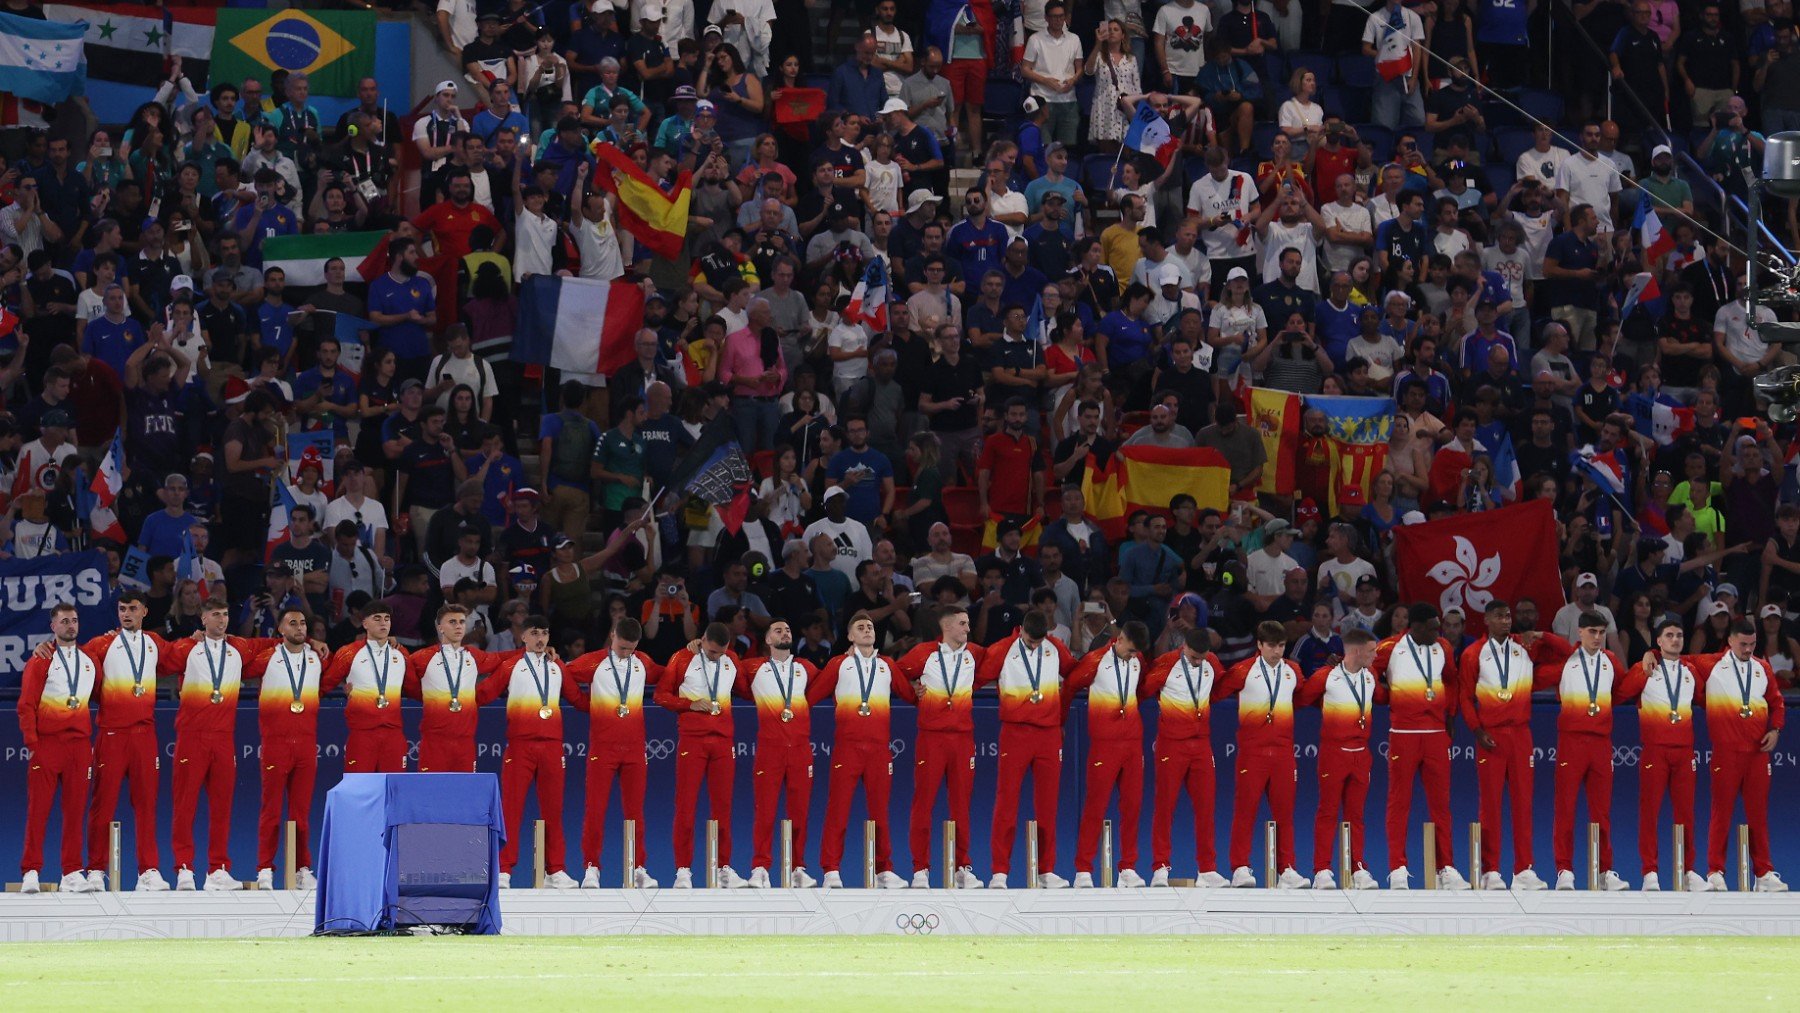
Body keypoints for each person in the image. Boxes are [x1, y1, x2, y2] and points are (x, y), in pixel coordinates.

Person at [159, 600, 278, 890]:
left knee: (222, 806)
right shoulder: (188, 648)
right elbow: (160, 660)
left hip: (224, 737)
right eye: (215, 615)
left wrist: (312, 641)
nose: (221, 620)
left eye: (225, 614)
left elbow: (277, 642)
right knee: (185, 805)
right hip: (192, 736)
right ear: (203, 618)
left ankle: (218, 870)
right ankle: (183, 868)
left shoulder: (238, 646)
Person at [70, 592, 178, 892]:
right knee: (102, 805)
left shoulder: (155, 643)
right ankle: (94, 869)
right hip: (112, 734)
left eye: (132, 608)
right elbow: (73, 663)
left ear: (144, 610)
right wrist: (45, 647)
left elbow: (179, 658)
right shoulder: (102, 644)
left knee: (146, 806)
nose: (126, 614)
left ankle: (149, 870)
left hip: (144, 735)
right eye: (121, 609)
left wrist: (198, 637)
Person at [1457, 602, 1559, 890]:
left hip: (1520, 735)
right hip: (1490, 735)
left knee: (1523, 803)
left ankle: (1524, 869)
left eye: (1508, 616)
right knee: (1490, 805)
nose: (1505, 620)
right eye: (1499, 616)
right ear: (1487, 620)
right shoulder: (1473, 653)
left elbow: (1567, 654)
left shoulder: (1523, 646)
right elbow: (1465, 697)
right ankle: (1491, 870)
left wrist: (1542, 635)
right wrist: (1476, 730)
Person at [809, 612, 914, 887]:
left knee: (880, 812)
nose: (867, 629)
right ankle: (831, 869)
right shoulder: (838, 664)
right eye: (860, 627)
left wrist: (927, 687)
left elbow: (912, 695)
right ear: (850, 636)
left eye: (870, 626)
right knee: (838, 810)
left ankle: (884, 870)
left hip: (880, 749)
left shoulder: (887, 665)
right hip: (848, 748)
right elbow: (810, 695)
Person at [474, 615, 578, 889]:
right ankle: (504, 869)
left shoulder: (558, 666)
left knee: (553, 810)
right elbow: (483, 694)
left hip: (553, 746)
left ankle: (555, 869)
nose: (541, 638)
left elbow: (578, 698)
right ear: (523, 637)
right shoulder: (511, 665)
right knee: (511, 809)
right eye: (535, 633)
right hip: (520, 747)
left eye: (544, 633)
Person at [1371, 603, 1468, 889]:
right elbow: (1367, 674)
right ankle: (1397, 867)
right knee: (1399, 802)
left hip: (1436, 733)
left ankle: (1445, 868)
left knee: (1441, 805)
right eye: (1433, 628)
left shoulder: (1443, 649)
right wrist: (1384, 696)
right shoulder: (1389, 647)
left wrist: (1450, 713)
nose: (1439, 633)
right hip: (1403, 732)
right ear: (1415, 627)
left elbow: (1452, 680)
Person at [977, 610, 1075, 888]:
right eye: (1030, 642)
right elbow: (975, 679)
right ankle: (999, 871)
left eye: (1038, 642)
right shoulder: (1002, 650)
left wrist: (1061, 716)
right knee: (1006, 802)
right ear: (1020, 631)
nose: (1034, 646)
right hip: (1015, 733)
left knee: (1048, 804)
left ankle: (1046, 871)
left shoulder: (1054, 646)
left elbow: (1074, 672)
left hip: (1048, 734)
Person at [1689, 619, 1788, 891]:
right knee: (1721, 812)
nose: (1748, 649)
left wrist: (1776, 730)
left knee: (1758, 814)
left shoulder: (1762, 668)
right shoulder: (1711, 664)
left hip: (1757, 753)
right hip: (1727, 753)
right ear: (1730, 641)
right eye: (1743, 644)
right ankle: (1715, 871)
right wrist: (1653, 654)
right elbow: (1677, 658)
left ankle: (1764, 873)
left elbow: (1777, 703)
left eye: (1752, 644)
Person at [1535, 610, 1629, 891]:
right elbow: (1535, 678)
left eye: (1601, 632)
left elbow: (1623, 690)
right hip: (1571, 742)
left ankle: (1605, 871)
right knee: (1565, 808)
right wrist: (1544, 640)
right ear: (1580, 632)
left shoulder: (1611, 661)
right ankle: (1564, 869)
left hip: (1601, 743)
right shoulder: (1566, 662)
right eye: (1592, 632)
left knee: (1601, 811)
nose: (1598, 638)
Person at [562, 618, 659, 889]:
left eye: (631, 648)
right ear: (612, 635)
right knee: (595, 810)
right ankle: (591, 868)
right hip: (602, 750)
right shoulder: (593, 662)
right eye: (621, 646)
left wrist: (688, 653)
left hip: (635, 749)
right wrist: (585, 704)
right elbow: (562, 673)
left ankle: (638, 867)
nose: (626, 652)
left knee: (635, 812)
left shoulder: (643, 662)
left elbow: (667, 674)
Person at [895, 606, 987, 888]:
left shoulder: (975, 654)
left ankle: (962, 867)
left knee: (961, 805)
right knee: (924, 803)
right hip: (932, 738)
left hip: (962, 739)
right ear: (947, 627)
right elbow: (894, 672)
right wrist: (913, 693)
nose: (968, 629)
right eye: (963, 623)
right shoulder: (924, 653)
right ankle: (920, 869)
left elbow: (1000, 659)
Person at [1617, 618, 1709, 892]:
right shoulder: (1645, 667)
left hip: (1684, 752)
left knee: (1686, 814)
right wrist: (1645, 665)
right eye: (1669, 635)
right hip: (1655, 750)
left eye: (1679, 635)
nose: (1675, 639)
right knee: (1650, 813)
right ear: (1658, 641)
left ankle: (1689, 870)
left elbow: (1705, 699)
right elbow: (1621, 693)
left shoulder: (1691, 670)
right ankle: (1650, 872)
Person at [16, 603, 100, 893]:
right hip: (48, 744)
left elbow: (102, 693)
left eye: (74, 620)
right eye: (64, 621)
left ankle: (72, 871)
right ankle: (31, 870)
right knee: (38, 810)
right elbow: (26, 705)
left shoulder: (90, 660)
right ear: (53, 626)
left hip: (78, 745)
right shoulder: (41, 660)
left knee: (76, 811)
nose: (71, 626)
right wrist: (33, 744)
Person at [244, 607, 328, 890]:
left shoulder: (316, 658)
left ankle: (302, 868)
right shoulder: (268, 657)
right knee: (271, 810)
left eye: (303, 623)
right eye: (292, 623)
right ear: (280, 630)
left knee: (301, 813)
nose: (300, 628)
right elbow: (238, 666)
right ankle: (265, 868)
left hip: (305, 744)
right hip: (276, 744)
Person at [730, 619, 819, 888]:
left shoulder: (806, 668)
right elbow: (726, 668)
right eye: (778, 630)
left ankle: (797, 868)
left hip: (801, 750)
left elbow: (833, 681)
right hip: (770, 749)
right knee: (765, 811)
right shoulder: (753, 667)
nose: (785, 632)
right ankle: (760, 867)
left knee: (799, 812)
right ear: (767, 640)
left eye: (788, 629)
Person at [1218, 621, 1306, 887]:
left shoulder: (1294, 671)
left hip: (1282, 752)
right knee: (1245, 811)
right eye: (1271, 646)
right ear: (1259, 644)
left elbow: (1301, 696)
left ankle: (1287, 869)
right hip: (1252, 753)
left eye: (1281, 646)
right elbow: (1216, 693)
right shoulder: (1242, 671)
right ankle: (1240, 868)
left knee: (1285, 813)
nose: (1277, 652)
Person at [657, 622, 745, 888]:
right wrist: (689, 704)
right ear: (702, 640)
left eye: (721, 652)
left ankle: (724, 869)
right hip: (692, 741)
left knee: (723, 807)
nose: (717, 656)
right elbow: (661, 695)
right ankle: (683, 870)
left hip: (723, 741)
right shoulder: (682, 658)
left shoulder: (731, 660)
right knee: (686, 805)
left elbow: (746, 687)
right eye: (712, 651)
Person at [1140, 627, 1229, 887]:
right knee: (1165, 806)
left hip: (1201, 744)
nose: (1198, 662)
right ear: (1184, 647)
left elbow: (1220, 687)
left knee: (1206, 807)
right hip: (1172, 745)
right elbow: (1144, 690)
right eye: (1193, 657)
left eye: (1203, 657)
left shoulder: (1211, 662)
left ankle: (1207, 869)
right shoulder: (1166, 664)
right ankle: (1160, 867)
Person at [1297, 627, 1385, 889]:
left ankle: (1358, 868)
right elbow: (1301, 699)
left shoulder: (1371, 675)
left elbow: (1381, 697)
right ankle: (1322, 870)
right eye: (1371, 651)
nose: (1375, 656)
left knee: (1356, 815)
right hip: (1334, 753)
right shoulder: (1326, 676)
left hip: (1362, 754)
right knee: (1327, 811)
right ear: (1356, 651)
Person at [1066, 621, 1152, 888]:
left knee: (1133, 807)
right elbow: (1069, 686)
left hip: (1132, 744)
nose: (1134, 655)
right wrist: (1057, 724)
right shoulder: (1095, 661)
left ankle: (1128, 868)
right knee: (1096, 806)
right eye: (1131, 650)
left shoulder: (1138, 661)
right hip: (1105, 745)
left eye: (1138, 652)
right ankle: (1083, 870)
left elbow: (1140, 690)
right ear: (1120, 639)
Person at [402, 604, 517, 772]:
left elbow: (500, 657)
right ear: (440, 627)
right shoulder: (423, 657)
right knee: (433, 793)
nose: (458, 626)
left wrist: (529, 651)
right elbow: (400, 677)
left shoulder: (473, 655)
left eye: (462, 622)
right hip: (435, 742)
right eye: (452, 622)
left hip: (465, 742)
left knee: (464, 794)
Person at [320, 601, 412, 774]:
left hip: (393, 733)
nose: (383, 622)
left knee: (394, 788)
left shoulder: (401, 653)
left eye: (387, 618)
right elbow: (323, 686)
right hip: (362, 733)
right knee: (358, 787)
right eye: (377, 618)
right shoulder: (349, 652)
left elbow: (416, 689)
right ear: (365, 624)